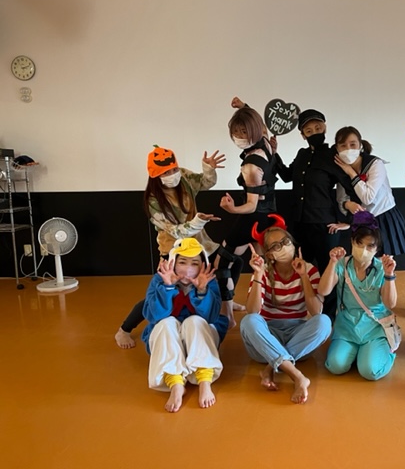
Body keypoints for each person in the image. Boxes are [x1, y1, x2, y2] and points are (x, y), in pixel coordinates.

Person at [114, 145, 243, 348]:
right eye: (166, 172)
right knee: (165, 290)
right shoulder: (153, 200)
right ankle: (124, 329)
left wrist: (208, 169)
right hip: (174, 249)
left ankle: (225, 298)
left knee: (232, 263)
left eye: (174, 169)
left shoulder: (183, 176)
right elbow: (176, 232)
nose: (172, 174)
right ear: (155, 175)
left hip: (200, 244)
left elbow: (206, 182)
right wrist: (198, 221)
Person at [273, 109, 357, 321]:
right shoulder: (302, 155)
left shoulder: (333, 156)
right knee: (299, 269)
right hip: (300, 223)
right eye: (308, 130)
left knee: (329, 271)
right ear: (303, 135)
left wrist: (348, 220)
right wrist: (274, 153)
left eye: (318, 128)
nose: (314, 132)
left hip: (325, 225)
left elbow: (350, 185)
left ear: (325, 128)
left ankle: (328, 318)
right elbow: (286, 176)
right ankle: (300, 311)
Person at [240, 215, 332, 404]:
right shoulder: (263, 271)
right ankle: (297, 375)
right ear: (269, 254)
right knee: (248, 321)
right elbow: (252, 311)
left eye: (285, 241)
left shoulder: (309, 269)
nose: (283, 247)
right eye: (276, 246)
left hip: (297, 337)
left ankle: (271, 366)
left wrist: (303, 276)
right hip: (266, 337)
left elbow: (316, 312)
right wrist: (258, 274)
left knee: (324, 322)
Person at [142, 238, 227, 412]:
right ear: (173, 263)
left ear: (202, 266)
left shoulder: (208, 281)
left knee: (194, 320)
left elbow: (211, 317)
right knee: (166, 322)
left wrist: (202, 291)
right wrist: (167, 287)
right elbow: (154, 316)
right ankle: (175, 384)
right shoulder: (160, 279)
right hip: (169, 341)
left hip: (199, 339)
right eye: (182, 262)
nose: (188, 268)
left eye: (194, 263)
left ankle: (204, 380)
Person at [319, 211, 398, 381]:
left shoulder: (381, 268)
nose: (364, 250)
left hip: (374, 327)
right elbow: (323, 290)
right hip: (347, 327)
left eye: (370, 246)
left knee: (370, 371)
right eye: (359, 243)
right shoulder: (342, 264)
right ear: (352, 242)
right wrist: (332, 262)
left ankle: (385, 352)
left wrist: (389, 275)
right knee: (335, 366)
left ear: (377, 249)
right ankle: (358, 353)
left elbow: (390, 303)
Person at [217, 99, 279, 279]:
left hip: (254, 216)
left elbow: (251, 206)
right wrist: (243, 106)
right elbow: (261, 124)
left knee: (222, 263)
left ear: (254, 130)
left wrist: (232, 209)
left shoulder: (251, 166)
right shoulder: (265, 143)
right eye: (236, 132)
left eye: (244, 131)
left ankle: (226, 300)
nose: (239, 136)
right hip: (269, 213)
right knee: (262, 263)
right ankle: (264, 294)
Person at [329, 126, 405, 258]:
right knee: (363, 262)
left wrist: (351, 173)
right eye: (343, 145)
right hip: (361, 222)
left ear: (360, 145)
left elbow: (368, 198)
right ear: (337, 149)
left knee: (384, 263)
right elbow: (341, 199)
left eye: (352, 144)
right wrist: (347, 205)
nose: (348, 149)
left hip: (383, 217)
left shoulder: (375, 164)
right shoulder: (340, 170)